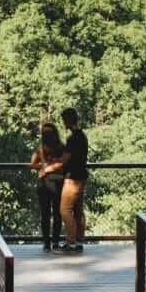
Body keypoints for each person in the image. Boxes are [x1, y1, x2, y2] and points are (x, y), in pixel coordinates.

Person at [54, 107, 89, 253]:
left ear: (68, 120)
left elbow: (65, 159)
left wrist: (50, 166)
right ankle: (79, 241)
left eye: (64, 120)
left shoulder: (72, 138)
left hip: (72, 178)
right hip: (82, 176)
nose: (63, 123)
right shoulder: (83, 136)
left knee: (65, 210)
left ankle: (71, 242)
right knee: (78, 210)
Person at [28, 120, 63, 251]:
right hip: (52, 183)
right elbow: (33, 163)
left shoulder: (48, 148)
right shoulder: (60, 147)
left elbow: (32, 164)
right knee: (52, 214)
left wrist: (44, 166)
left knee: (48, 214)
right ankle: (52, 242)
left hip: (49, 182)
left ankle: (49, 243)